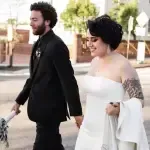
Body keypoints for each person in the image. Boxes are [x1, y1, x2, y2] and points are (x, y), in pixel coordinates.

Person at [11, 2, 83, 150]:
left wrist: (77, 113)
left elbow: (68, 81)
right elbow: (33, 78)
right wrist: (19, 101)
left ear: (47, 21)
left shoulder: (57, 45)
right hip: (40, 111)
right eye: (31, 19)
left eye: (35, 20)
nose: (31, 23)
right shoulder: (39, 44)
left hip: (50, 112)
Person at [74, 14, 146, 150]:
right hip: (87, 132)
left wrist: (120, 107)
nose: (89, 44)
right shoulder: (94, 62)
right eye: (88, 39)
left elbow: (139, 99)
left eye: (94, 40)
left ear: (107, 39)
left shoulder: (123, 65)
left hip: (108, 134)